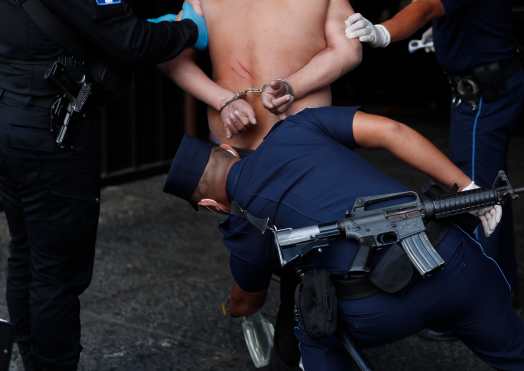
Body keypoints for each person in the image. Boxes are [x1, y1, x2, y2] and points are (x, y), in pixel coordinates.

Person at [164, 106, 523, 370]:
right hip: (450, 262)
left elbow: (247, 301)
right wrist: (467, 187)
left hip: (376, 308)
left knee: (312, 332)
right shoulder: (297, 126)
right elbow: (392, 131)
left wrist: (229, 306)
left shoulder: (243, 224)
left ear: (212, 205)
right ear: (228, 150)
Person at [0, 1, 207, 370]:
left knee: (27, 250)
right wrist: (191, 29)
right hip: (50, 134)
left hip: (9, 120)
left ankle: (32, 357)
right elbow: (132, 41)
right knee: (56, 271)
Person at [345, 0, 524, 294]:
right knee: (486, 188)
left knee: (475, 196)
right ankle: (502, 286)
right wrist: (446, 38)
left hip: (482, 96)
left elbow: (426, 6)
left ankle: (481, 299)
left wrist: (382, 31)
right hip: (485, 86)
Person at [160, 0, 362, 150]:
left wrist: (224, 101)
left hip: (236, 136)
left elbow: (169, 55)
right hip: (283, 135)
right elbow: (348, 50)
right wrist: (290, 87)